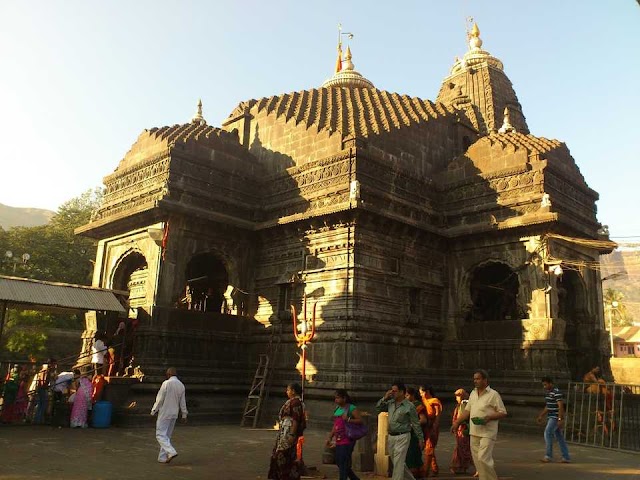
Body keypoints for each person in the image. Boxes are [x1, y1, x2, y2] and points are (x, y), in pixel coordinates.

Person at [451, 369, 507, 480]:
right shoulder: (472, 393)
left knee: (483, 458)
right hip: (474, 431)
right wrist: (457, 422)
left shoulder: (493, 395)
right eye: (474, 379)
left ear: (485, 380)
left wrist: (489, 417)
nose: (475, 381)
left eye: (478, 379)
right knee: (477, 461)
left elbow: (503, 412)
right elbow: (467, 411)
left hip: (488, 432)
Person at [376, 381, 424, 480]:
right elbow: (378, 408)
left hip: (403, 436)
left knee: (398, 463)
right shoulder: (390, 403)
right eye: (392, 391)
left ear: (402, 392)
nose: (392, 393)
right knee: (398, 462)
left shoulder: (409, 406)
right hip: (391, 436)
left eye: (395, 391)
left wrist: (420, 438)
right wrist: (385, 398)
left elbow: (416, 423)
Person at [268, 382, 306, 480]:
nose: (287, 392)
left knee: (283, 455)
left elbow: (296, 419)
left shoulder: (296, 403)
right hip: (285, 431)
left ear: (293, 391)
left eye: (288, 390)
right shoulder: (292, 401)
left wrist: (291, 435)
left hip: (288, 433)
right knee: (280, 455)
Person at [150, 367, 188, 464]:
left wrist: (153, 411)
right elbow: (182, 402)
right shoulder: (181, 385)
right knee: (166, 436)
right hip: (174, 413)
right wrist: (184, 414)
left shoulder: (166, 383)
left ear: (168, 374)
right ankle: (162, 457)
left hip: (165, 412)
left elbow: (159, 399)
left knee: (160, 434)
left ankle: (171, 451)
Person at [326, 388, 362, 480]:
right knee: (339, 461)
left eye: (338, 398)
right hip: (339, 439)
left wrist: (348, 419)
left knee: (343, 462)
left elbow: (360, 420)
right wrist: (330, 436)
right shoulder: (338, 408)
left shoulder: (351, 408)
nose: (336, 400)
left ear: (344, 398)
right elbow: (336, 424)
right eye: (335, 398)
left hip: (348, 439)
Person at [536, 377, 570, 463]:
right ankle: (566, 457)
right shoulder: (548, 393)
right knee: (559, 436)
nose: (544, 386)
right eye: (543, 385)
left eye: (545, 384)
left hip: (555, 417)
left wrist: (560, 418)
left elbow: (560, 406)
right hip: (551, 416)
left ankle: (548, 456)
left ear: (551, 383)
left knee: (547, 433)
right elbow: (548, 406)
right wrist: (541, 415)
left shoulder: (556, 392)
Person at [419, 385, 443, 477]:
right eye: (420, 393)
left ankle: (426, 470)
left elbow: (437, 416)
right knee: (429, 448)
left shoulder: (435, 401)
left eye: (422, 392)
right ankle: (434, 468)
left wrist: (435, 427)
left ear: (427, 391)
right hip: (425, 427)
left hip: (432, 426)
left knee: (429, 448)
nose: (421, 395)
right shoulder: (422, 401)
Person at [450, 388, 473, 475]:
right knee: (461, 449)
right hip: (460, 429)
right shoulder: (460, 405)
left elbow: (464, 417)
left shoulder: (464, 404)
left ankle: (476, 466)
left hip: (463, 429)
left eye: (458, 396)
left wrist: (456, 424)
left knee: (463, 449)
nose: (456, 398)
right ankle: (461, 467)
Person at [404, 387, 424, 478]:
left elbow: (423, 420)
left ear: (412, 395)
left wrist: (412, 425)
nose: (406, 397)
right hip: (408, 434)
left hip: (415, 435)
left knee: (413, 457)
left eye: (407, 395)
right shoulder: (407, 405)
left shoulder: (418, 405)